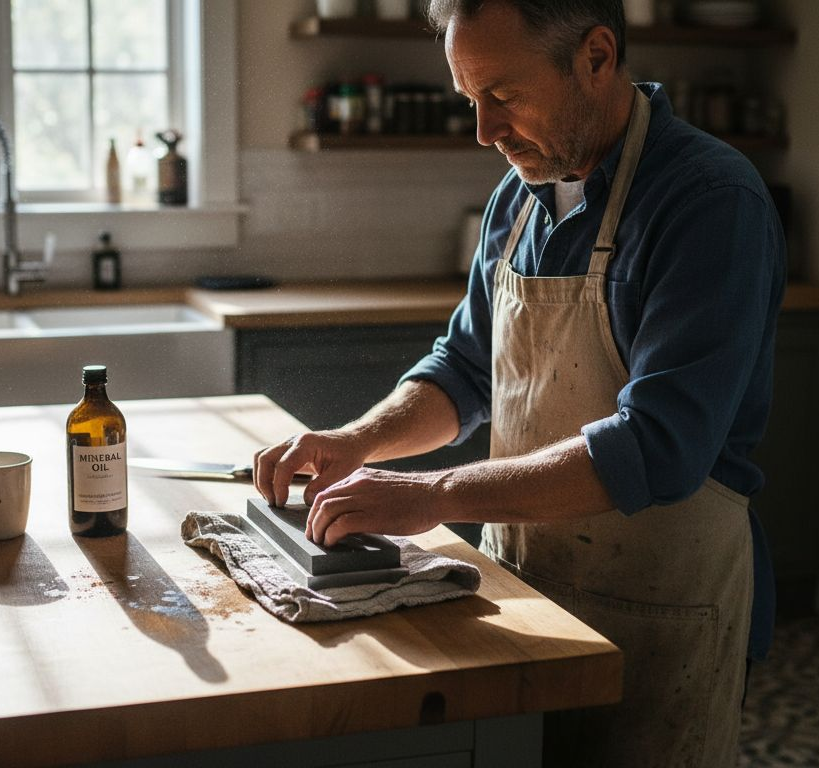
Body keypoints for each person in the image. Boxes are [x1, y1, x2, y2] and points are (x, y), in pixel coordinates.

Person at [254, 0, 783, 764]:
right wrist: (357, 441)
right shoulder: (518, 197)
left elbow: (660, 446)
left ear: (596, 57)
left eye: (502, 95)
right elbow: (466, 371)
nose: (483, 131)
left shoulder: (708, 202)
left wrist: (434, 495)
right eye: (470, 100)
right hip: (528, 587)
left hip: (660, 608)